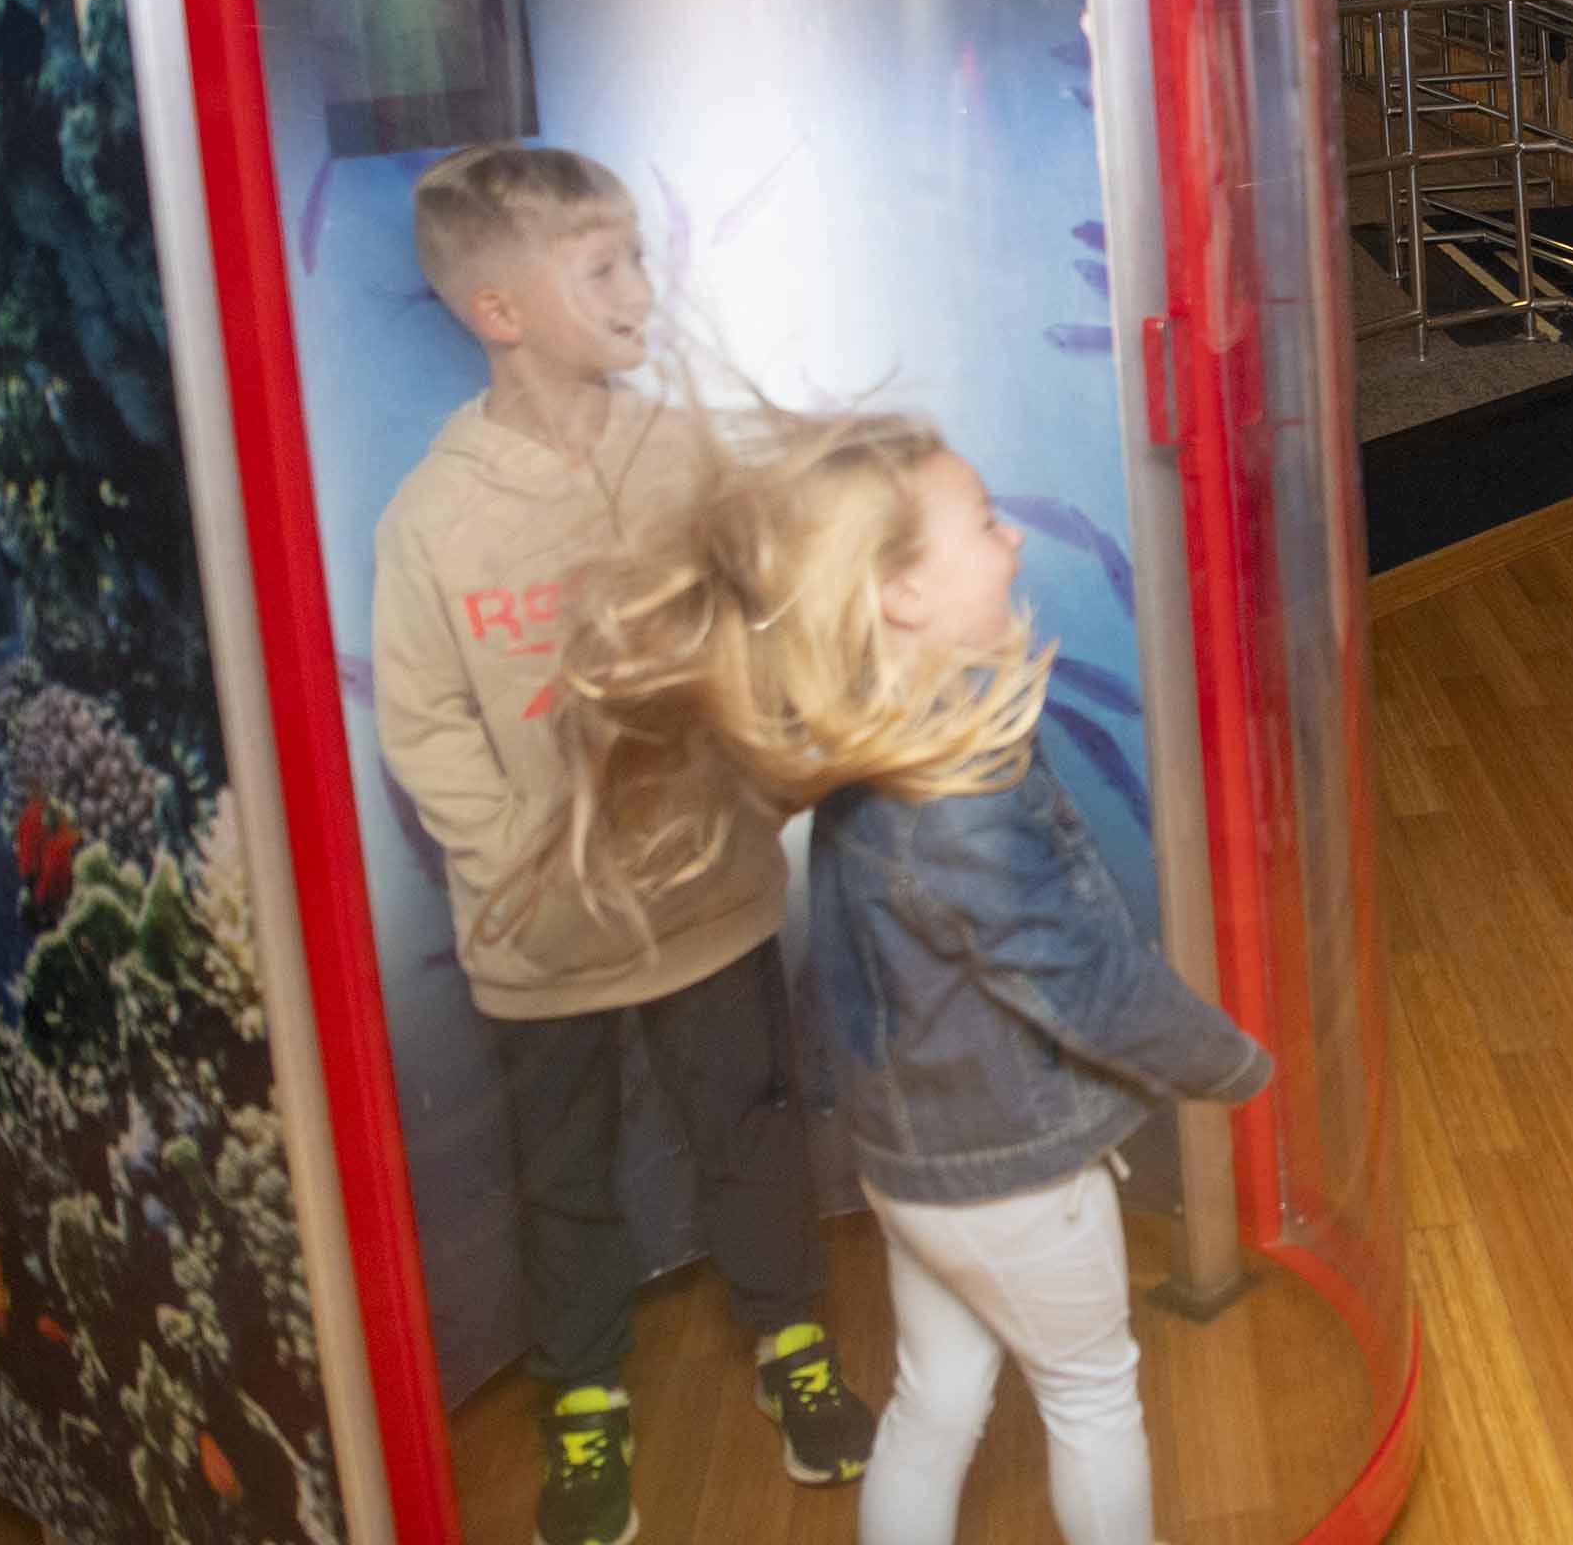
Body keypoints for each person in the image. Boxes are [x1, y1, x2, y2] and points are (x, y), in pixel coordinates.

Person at [528, 412, 1272, 1545]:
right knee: (1091, 1393)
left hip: (912, 1174)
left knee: (935, 1401)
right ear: (902, 597)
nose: (1013, 541)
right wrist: (1233, 1062)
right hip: (1014, 1181)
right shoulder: (959, 801)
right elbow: (1092, 987)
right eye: (982, 524)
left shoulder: (876, 750)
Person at [375, 147, 874, 1545]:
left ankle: (793, 1347)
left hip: (709, 909)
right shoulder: (432, 516)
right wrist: (519, 865)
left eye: (642, 258)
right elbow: (422, 726)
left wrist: (771, 776)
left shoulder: (685, 451)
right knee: (565, 1181)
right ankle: (583, 1404)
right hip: (543, 951)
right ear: (500, 309)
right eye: (606, 267)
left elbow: (767, 626)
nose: (645, 291)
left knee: (748, 1136)